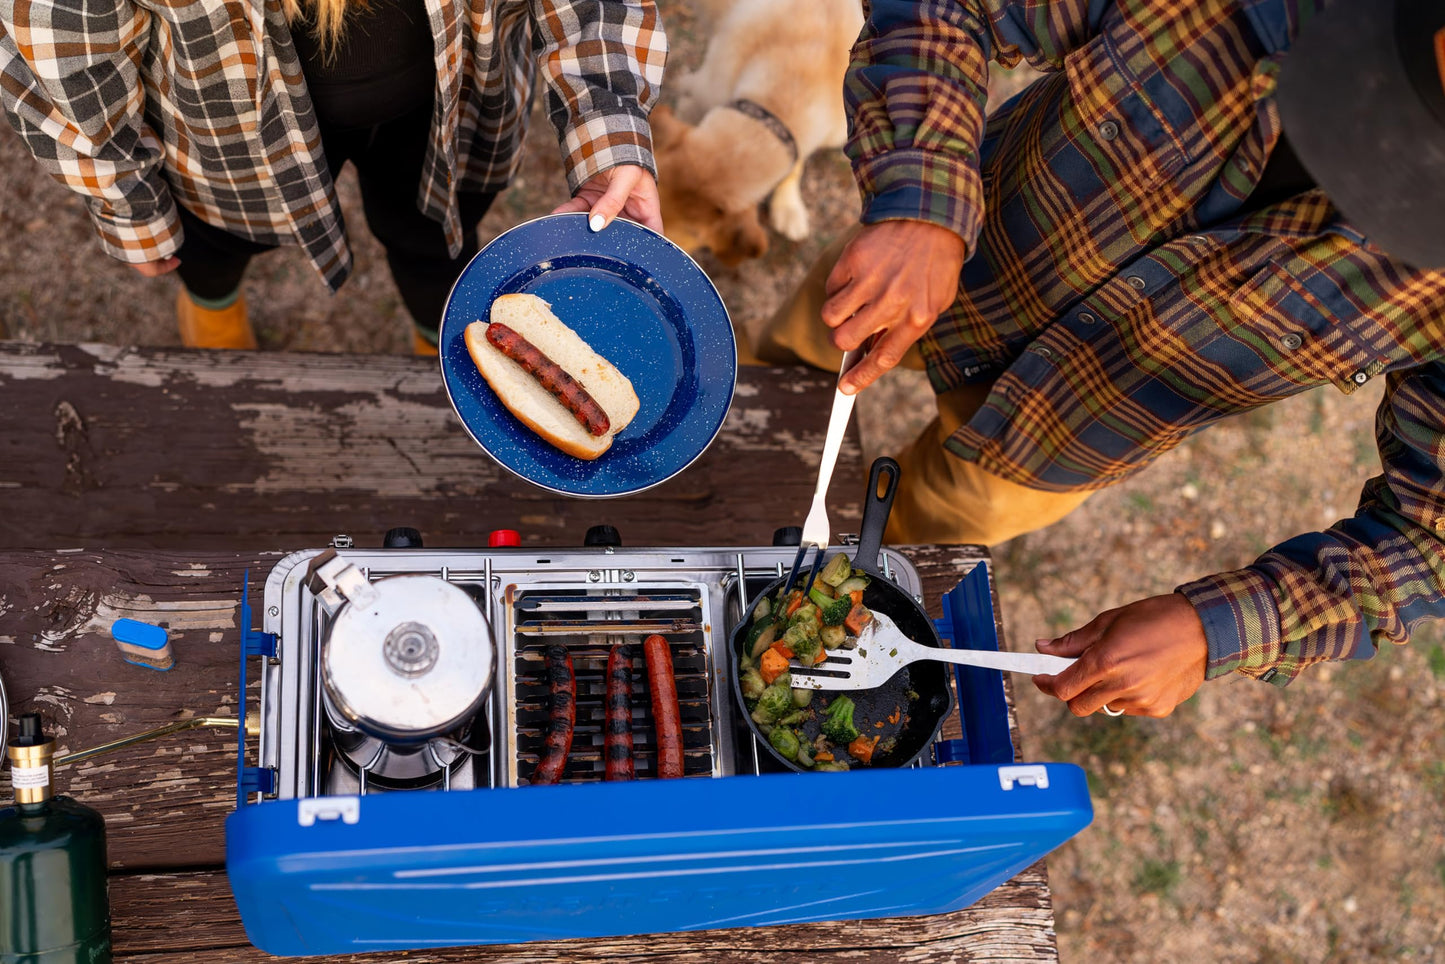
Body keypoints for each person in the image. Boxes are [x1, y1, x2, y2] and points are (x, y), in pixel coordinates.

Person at [755, 0, 1445, 718]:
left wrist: (1215, 630)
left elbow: (1429, 538)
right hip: (917, 272)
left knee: (904, 554)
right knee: (766, 397)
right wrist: (922, 199)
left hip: (1056, 443)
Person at [0, 0, 665, 353]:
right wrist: (131, 206)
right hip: (227, 139)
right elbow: (63, 61)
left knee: (435, 243)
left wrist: (608, 128)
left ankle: (438, 339)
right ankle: (212, 303)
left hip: (445, 110)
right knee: (214, 246)